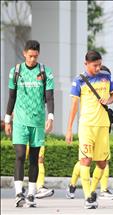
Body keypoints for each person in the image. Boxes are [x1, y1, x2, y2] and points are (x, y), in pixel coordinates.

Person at [4, 40, 55, 207]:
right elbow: (11, 96)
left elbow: (49, 97)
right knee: (20, 155)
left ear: (38, 54)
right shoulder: (16, 71)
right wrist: (7, 119)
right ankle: (19, 193)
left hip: (38, 121)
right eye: (30, 55)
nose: (32, 59)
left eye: (35, 56)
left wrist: (51, 117)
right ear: (24, 53)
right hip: (19, 120)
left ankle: (32, 193)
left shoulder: (45, 72)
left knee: (34, 158)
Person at [65, 51, 113, 209]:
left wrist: (109, 99)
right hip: (86, 125)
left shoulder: (106, 76)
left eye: (100, 64)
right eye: (95, 65)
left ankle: (93, 190)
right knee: (85, 160)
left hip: (103, 125)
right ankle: (88, 197)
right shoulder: (79, 80)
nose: (98, 67)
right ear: (85, 64)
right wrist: (69, 129)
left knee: (102, 163)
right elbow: (74, 106)